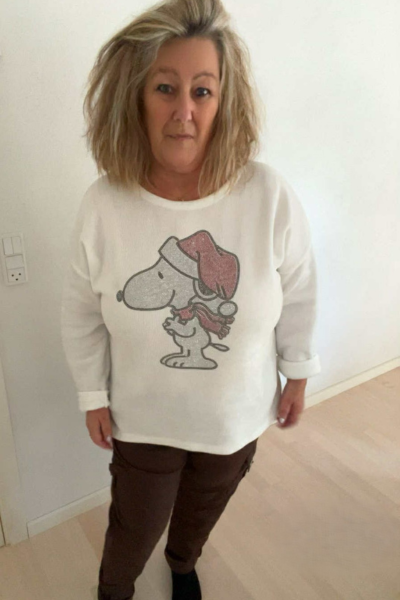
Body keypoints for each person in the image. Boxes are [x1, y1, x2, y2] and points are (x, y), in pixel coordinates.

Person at [60, 0, 321, 598]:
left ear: (225, 100)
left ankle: (182, 564)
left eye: (202, 91)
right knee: (133, 526)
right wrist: (92, 392)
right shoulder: (105, 204)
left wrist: (298, 371)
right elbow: (81, 310)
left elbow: (300, 286)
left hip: (236, 417)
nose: (184, 111)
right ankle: (115, 590)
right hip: (144, 419)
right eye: (165, 88)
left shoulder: (267, 194)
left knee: (204, 507)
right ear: (134, 96)